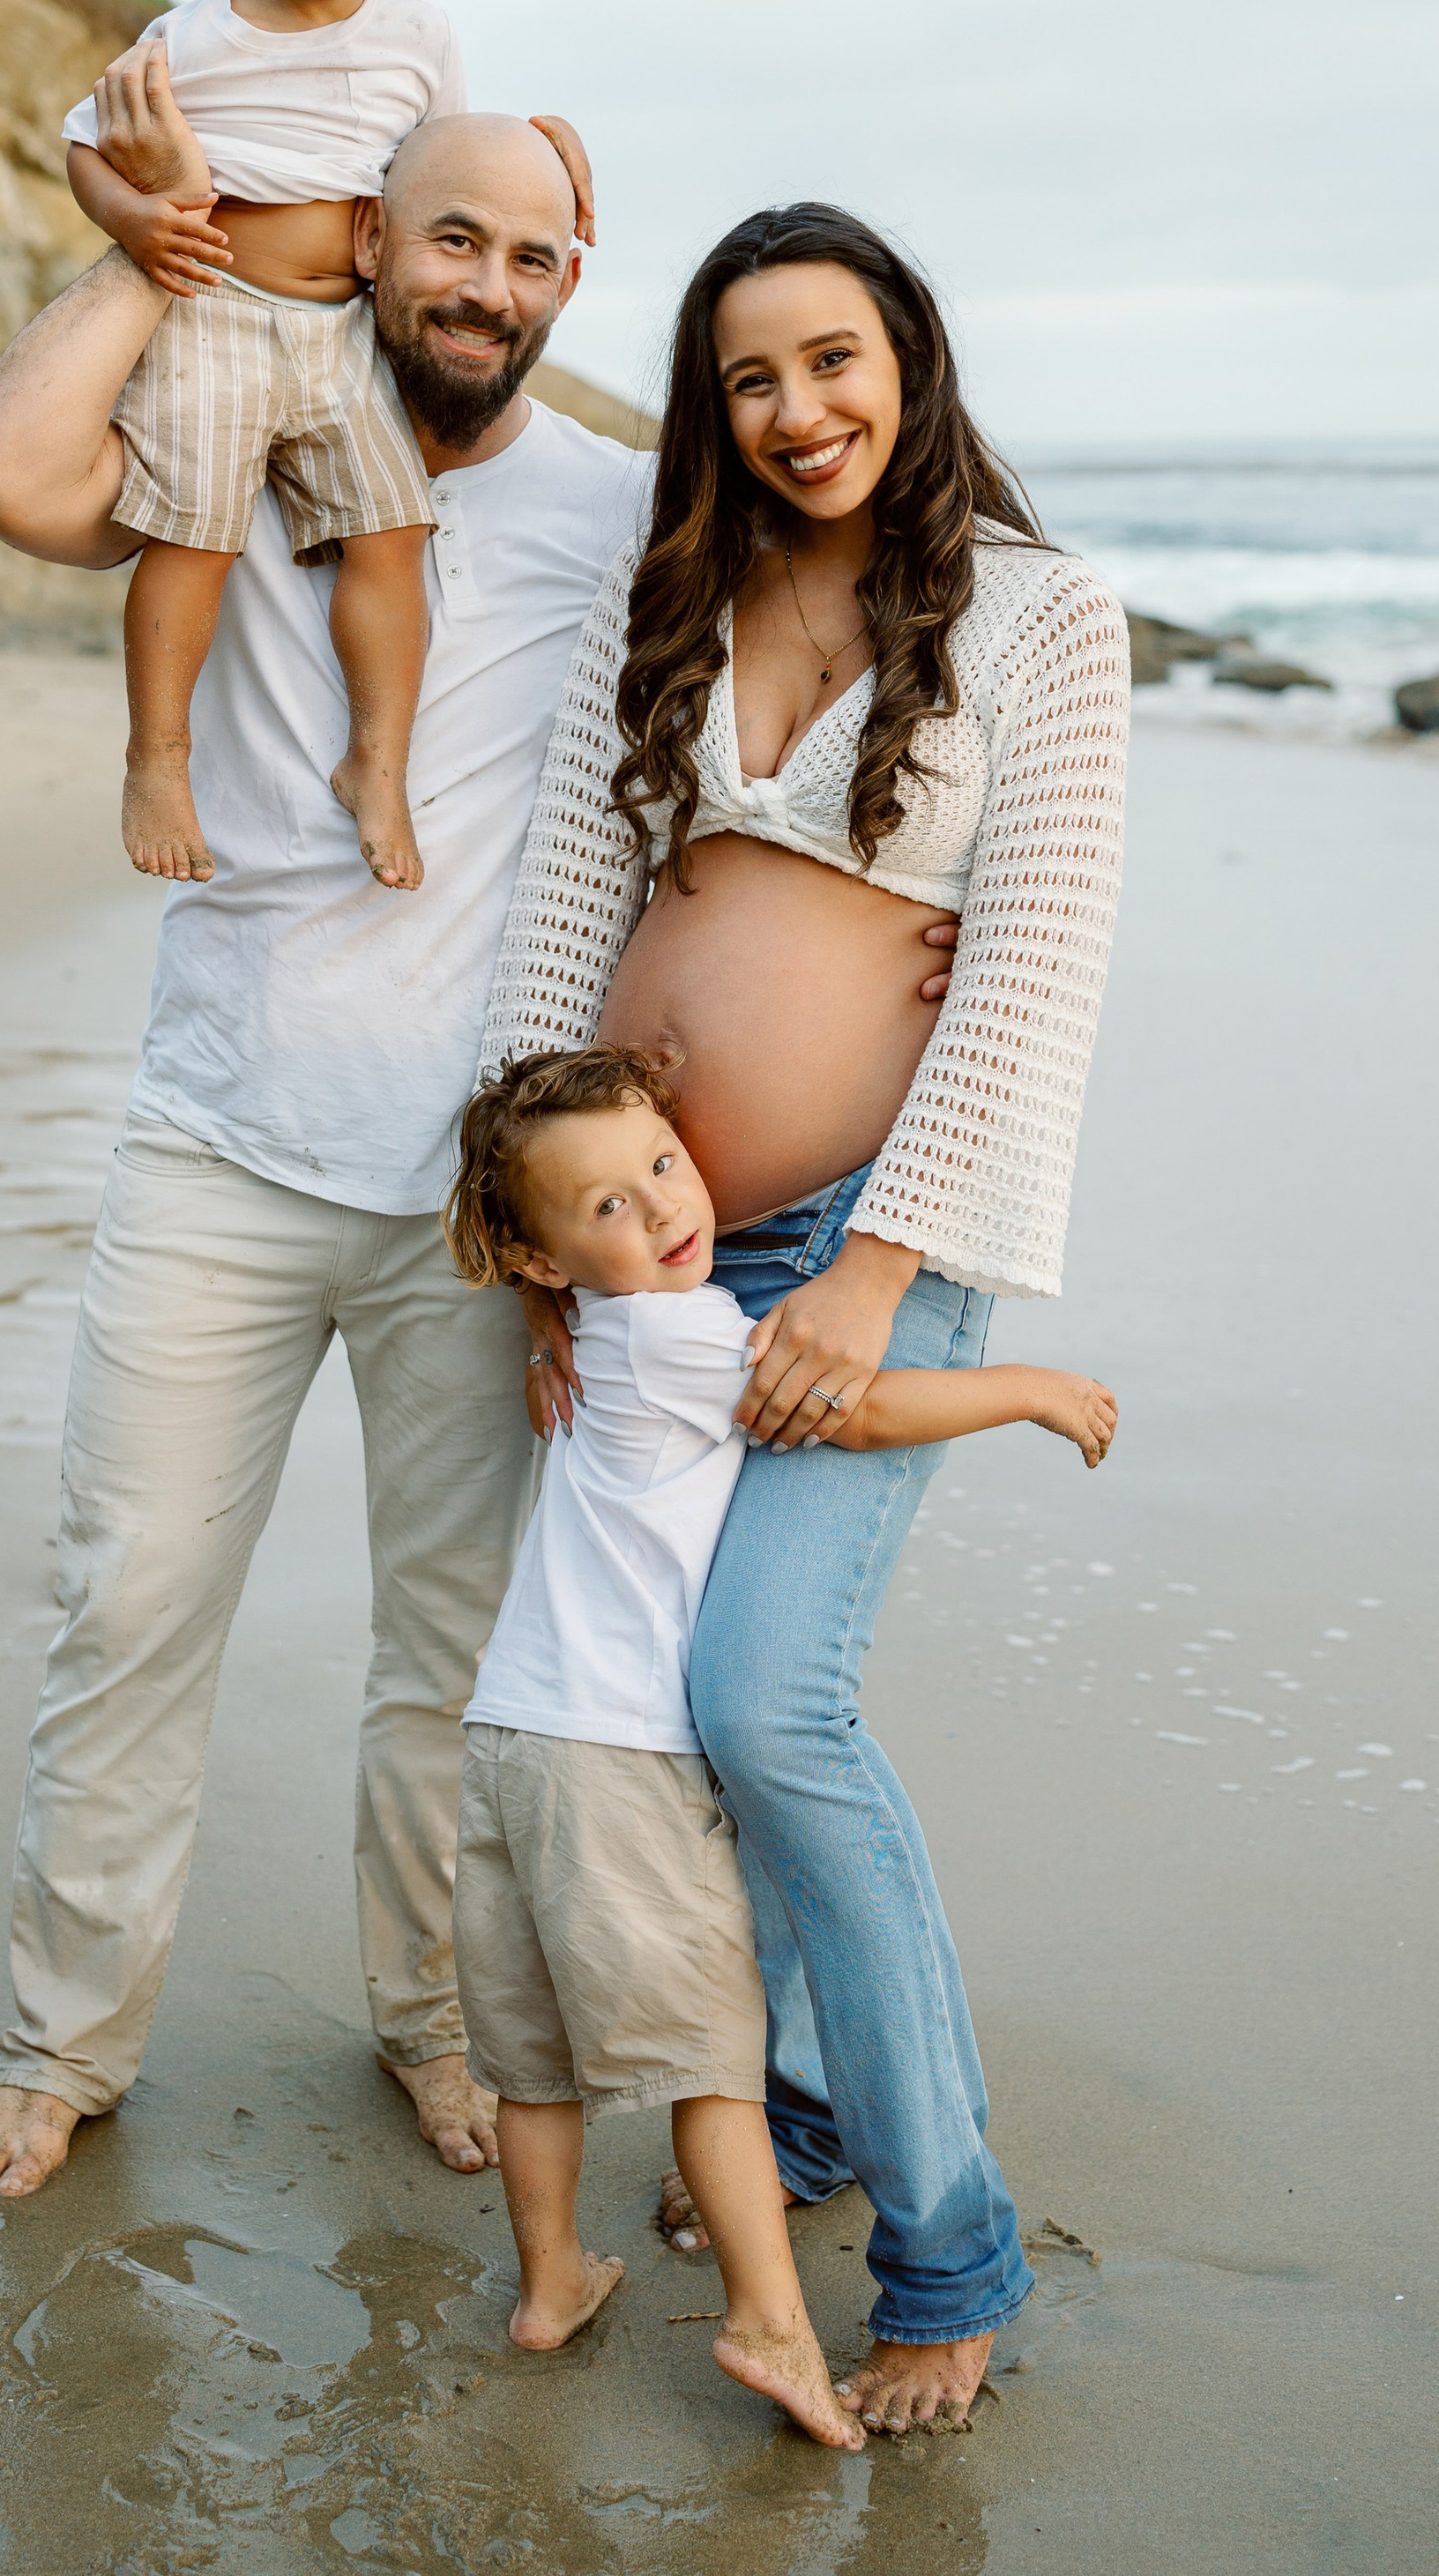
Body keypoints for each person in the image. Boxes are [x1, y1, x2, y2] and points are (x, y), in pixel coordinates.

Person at [0, 110, 642, 2199]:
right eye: (445, 239)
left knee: (452, 1651)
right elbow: (5, 476)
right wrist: (167, 249)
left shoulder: (616, 506)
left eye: (528, 256)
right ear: (368, 240)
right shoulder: (239, 425)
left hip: (474, 1202)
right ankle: (63, 2047)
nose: (482, 289)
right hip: (218, 1142)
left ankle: (429, 2028)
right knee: (131, 1603)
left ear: (569, 278)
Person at [481, 201, 1130, 2432]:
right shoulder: (670, 593)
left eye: (834, 360)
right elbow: (566, 909)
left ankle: (949, 2244)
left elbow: (1033, 963)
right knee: (658, 1704)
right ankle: (806, 2112)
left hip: (867, 1229)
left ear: (909, 360)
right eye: (752, 376)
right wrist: (535, 1248)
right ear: (714, 406)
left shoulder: (1042, 618)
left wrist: (870, 1265)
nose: (801, 410)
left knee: (771, 1710)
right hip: (634, 1254)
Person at [439, 1044, 1114, 2446]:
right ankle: (767, 2318)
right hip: (617, 1759)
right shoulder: (690, 1336)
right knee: (708, 2066)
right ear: (545, 1259)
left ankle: (551, 2279)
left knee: (535, 2054)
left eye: (665, 1167)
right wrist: (1034, 1388)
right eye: (610, 1207)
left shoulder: (599, 1339)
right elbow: (860, 1407)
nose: (666, 1209)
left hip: (509, 1737)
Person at [61, 0, 593, 893]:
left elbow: (446, 157)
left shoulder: (422, 34)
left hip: (343, 336)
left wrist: (540, 140)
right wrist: (131, 219)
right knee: (192, 537)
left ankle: (377, 761)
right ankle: (158, 756)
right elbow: (85, 143)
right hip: (215, 313)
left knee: (392, 536)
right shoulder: (189, 36)